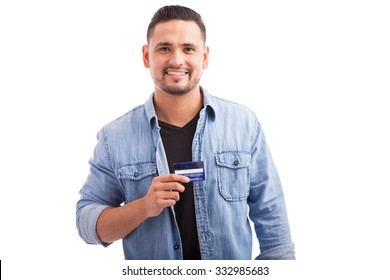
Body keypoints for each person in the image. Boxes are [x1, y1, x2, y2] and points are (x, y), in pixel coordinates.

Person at [76, 5, 295, 260]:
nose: (177, 60)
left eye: (188, 48)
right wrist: (143, 207)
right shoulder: (114, 137)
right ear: (147, 56)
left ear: (205, 56)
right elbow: (86, 223)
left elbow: (272, 220)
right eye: (164, 48)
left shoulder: (244, 125)